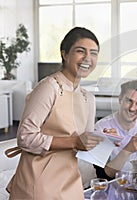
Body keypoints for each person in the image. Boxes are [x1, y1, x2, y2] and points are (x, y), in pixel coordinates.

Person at [6, 27, 103, 199]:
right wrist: (74, 141)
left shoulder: (88, 98)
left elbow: (83, 143)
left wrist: (107, 141)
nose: (88, 58)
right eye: (80, 51)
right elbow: (25, 137)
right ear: (65, 54)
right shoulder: (49, 87)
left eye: (93, 53)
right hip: (39, 181)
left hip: (70, 180)